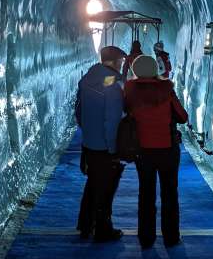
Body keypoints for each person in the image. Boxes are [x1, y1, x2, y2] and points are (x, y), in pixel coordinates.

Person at [124, 54, 188, 248]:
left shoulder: (130, 89)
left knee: (146, 193)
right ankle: (171, 237)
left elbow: (126, 111)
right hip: (167, 149)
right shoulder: (167, 89)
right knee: (169, 193)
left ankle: (146, 238)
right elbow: (182, 116)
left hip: (143, 150)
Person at [74, 45, 127, 242]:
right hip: (104, 146)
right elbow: (112, 120)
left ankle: (85, 224)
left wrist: (87, 131)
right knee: (106, 189)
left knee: (92, 184)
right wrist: (113, 149)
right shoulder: (111, 83)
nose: (122, 65)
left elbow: (78, 111)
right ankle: (103, 229)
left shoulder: (88, 77)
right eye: (120, 61)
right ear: (113, 62)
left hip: (89, 142)